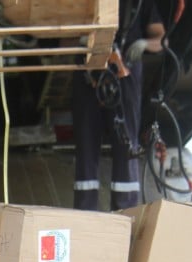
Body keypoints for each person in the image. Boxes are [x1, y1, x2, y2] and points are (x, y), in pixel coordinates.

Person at [72, 0, 165, 211]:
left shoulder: (138, 3)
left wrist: (144, 45)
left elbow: (161, 39)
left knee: (126, 145)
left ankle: (126, 212)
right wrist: (80, 40)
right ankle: (85, 213)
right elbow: (61, 33)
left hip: (124, 73)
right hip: (88, 72)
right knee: (86, 143)